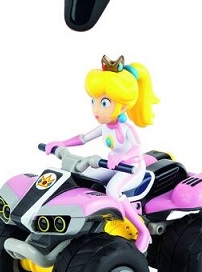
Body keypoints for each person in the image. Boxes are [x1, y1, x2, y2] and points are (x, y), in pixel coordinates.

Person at [45, 55, 158, 200]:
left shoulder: (126, 128)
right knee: (82, 178)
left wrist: (123, 157)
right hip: (112, 165)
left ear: (123, 106)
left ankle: (132, 216)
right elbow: (83, 138)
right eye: (93, 101)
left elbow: (137, 148)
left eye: (104, 103)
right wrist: (62, 143)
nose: (96, 110)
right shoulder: (105, 127)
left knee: (112, 191)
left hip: (132, 168)